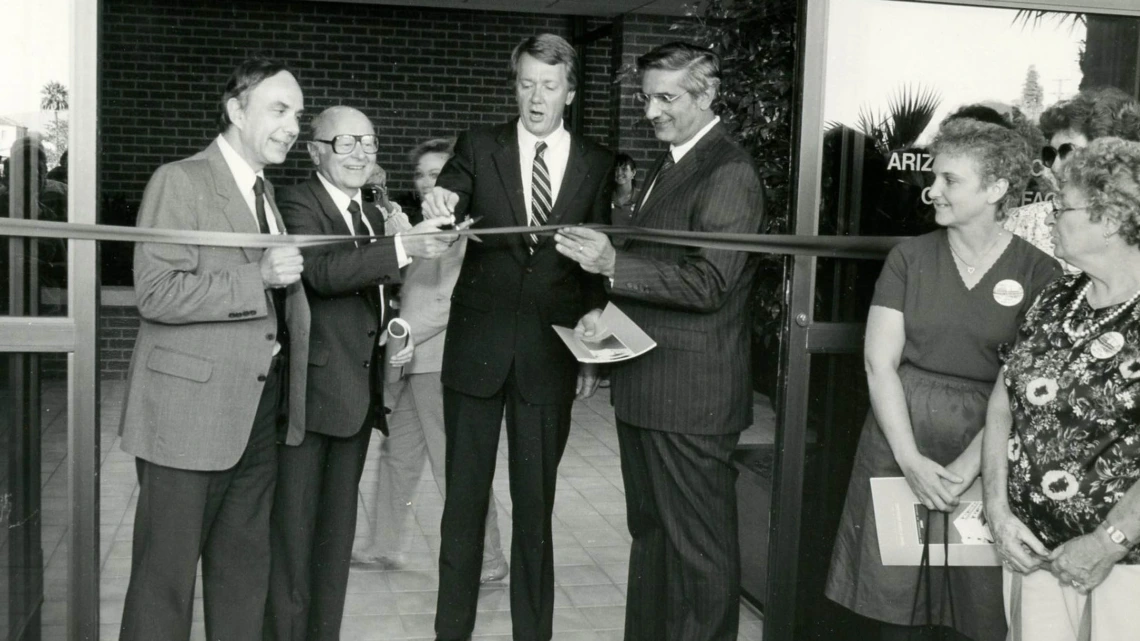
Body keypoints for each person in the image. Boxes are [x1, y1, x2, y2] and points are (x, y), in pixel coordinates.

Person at [554, 41, 765, 641]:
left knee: (696, 551)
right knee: (652, 537)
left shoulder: (728, 171)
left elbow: (710, 282)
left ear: (708, 95)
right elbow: (658, 272)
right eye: (646, 98)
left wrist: (613, 265)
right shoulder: (669, 162)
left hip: (690, 399)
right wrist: (606, 323)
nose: (651, 111)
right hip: (651, 387)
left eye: (667, 98)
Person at [822, 116, 1061, 641]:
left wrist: (963, 470)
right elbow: (878, 364)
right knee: (895, 606)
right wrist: (910, 461)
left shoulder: (1040, 274)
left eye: (951, 180)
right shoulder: (910, 258)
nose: (933, 190)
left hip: (986, 450)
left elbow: (1026, 387)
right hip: (899, 440)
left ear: (997, 188)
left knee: (974, 610)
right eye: (935, 177)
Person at [420, 33, 613, 641]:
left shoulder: (597, 162)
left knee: (536, 512)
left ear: (570, 93)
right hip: (476, 353)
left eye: (549, 86)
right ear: (516, 86)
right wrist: (442, 199)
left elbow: (594, 267)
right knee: (463, 510)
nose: (536, 97)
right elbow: (449, 196)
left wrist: (591, 355)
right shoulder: (479, 145)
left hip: (547, 357)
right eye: (526, 83)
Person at [117, 58, 310, 641]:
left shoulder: (263, 192)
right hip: (185, 421)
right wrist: (259, 280)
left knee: (242, 577)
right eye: (279, 110)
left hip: (253, 416)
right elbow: (155, 292)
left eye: (298, 114)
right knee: (164, 587)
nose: (292, 126)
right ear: (235, 111)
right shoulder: (181, 180)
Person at [264, 106, 455, 640]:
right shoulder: (298, 202)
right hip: (311, 398)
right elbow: (323, 273)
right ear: (315, 150)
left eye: (368, 143)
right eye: (344, 143)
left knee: (332, 543)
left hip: (355, 399)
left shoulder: (371, 213)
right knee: (294, 540)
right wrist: (404, 245)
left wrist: (393, 330)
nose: (360, 154)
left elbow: (374, 295)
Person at [982, 137, 1140, 640]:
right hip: (1036, 555)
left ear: (1111, 219)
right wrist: (997, 511)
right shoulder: (1056, 296)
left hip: (1122, 569)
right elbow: (1003, 403)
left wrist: (1107, 542)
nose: (1049, 216)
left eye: (1061, 205)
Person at [352, 137, 509, 583]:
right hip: (409, 362)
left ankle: (490, 559)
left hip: (439, 363)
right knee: (396, 454)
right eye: (420, 174)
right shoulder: (429, 225)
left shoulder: (464, 231)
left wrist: (397, 333)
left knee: (453, 465)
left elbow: (450, 302)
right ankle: (382, 544)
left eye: (436, 175)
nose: (425, 183)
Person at [1004, 87, 1140, 259]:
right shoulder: (1024, 224)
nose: (1054, 166)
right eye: (1050, 154)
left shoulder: (1133, 223)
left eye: (1067, 152)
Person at [611, 152, 638, 224]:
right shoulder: (606, 198)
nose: (619, 173)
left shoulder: (641, 198)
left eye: (624, 169)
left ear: (633, 172)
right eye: (616, 169)